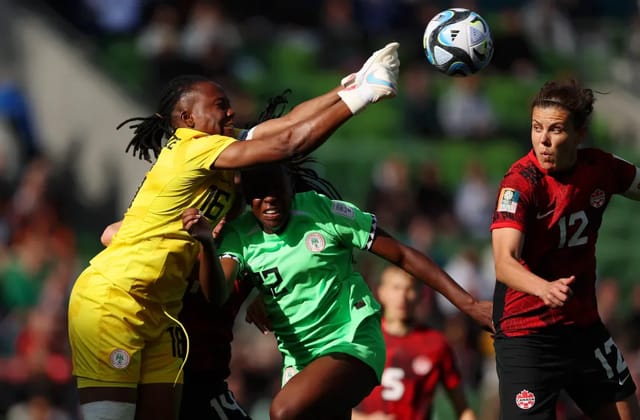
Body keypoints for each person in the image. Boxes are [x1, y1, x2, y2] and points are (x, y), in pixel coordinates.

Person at [67, 41, 401, 420]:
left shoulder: (214, 155)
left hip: (162, 315)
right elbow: (288, 143)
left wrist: (349, 88)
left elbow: (284, 125)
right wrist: (365, 96)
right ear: (187, 118)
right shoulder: (192, 149)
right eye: (219, 105)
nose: (230, 111)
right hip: (114, 303)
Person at [183, 158, 493, 420]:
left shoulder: (323, 213)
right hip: (300, 359)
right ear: (247, 196)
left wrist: (467, 303)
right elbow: (217, 294)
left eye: (276, 190)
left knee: (281, 411)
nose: (270, 201)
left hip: (352, 341)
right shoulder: (241, 234)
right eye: (259, 194)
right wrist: (206, 244)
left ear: (290, 187)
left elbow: (402, 254)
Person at [491, 79, 640, 420]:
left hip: (582, 325)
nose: (543, 140)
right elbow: (503, 262)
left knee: (625, 412)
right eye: (536, 128)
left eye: (555, 129)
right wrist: (543, 287)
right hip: (527, 332)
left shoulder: (600, 168)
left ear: (580, 134)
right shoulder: (520, 184)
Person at [352, 265, 477, 420]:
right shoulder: (361, 340)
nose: (402, 297)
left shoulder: (436, 344)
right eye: (396, 288)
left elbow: (463, 409)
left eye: (409, 289)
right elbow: (330, 402)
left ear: (419, 294)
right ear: (381, 292)